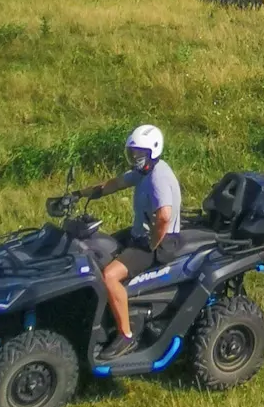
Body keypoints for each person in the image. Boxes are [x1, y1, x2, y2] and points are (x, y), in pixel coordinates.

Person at [77, 124, 184, 360]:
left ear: (153, 151)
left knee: (109, 276)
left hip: (158, 243)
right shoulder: (144, 170)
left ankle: (126, 336)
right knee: (100, 248)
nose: (135, 158)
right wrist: (80, 194)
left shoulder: (157, 178)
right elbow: (115, 184)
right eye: (133, 153)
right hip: (142, 235)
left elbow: (164, 216)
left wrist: (152, 243)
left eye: (140, 154)